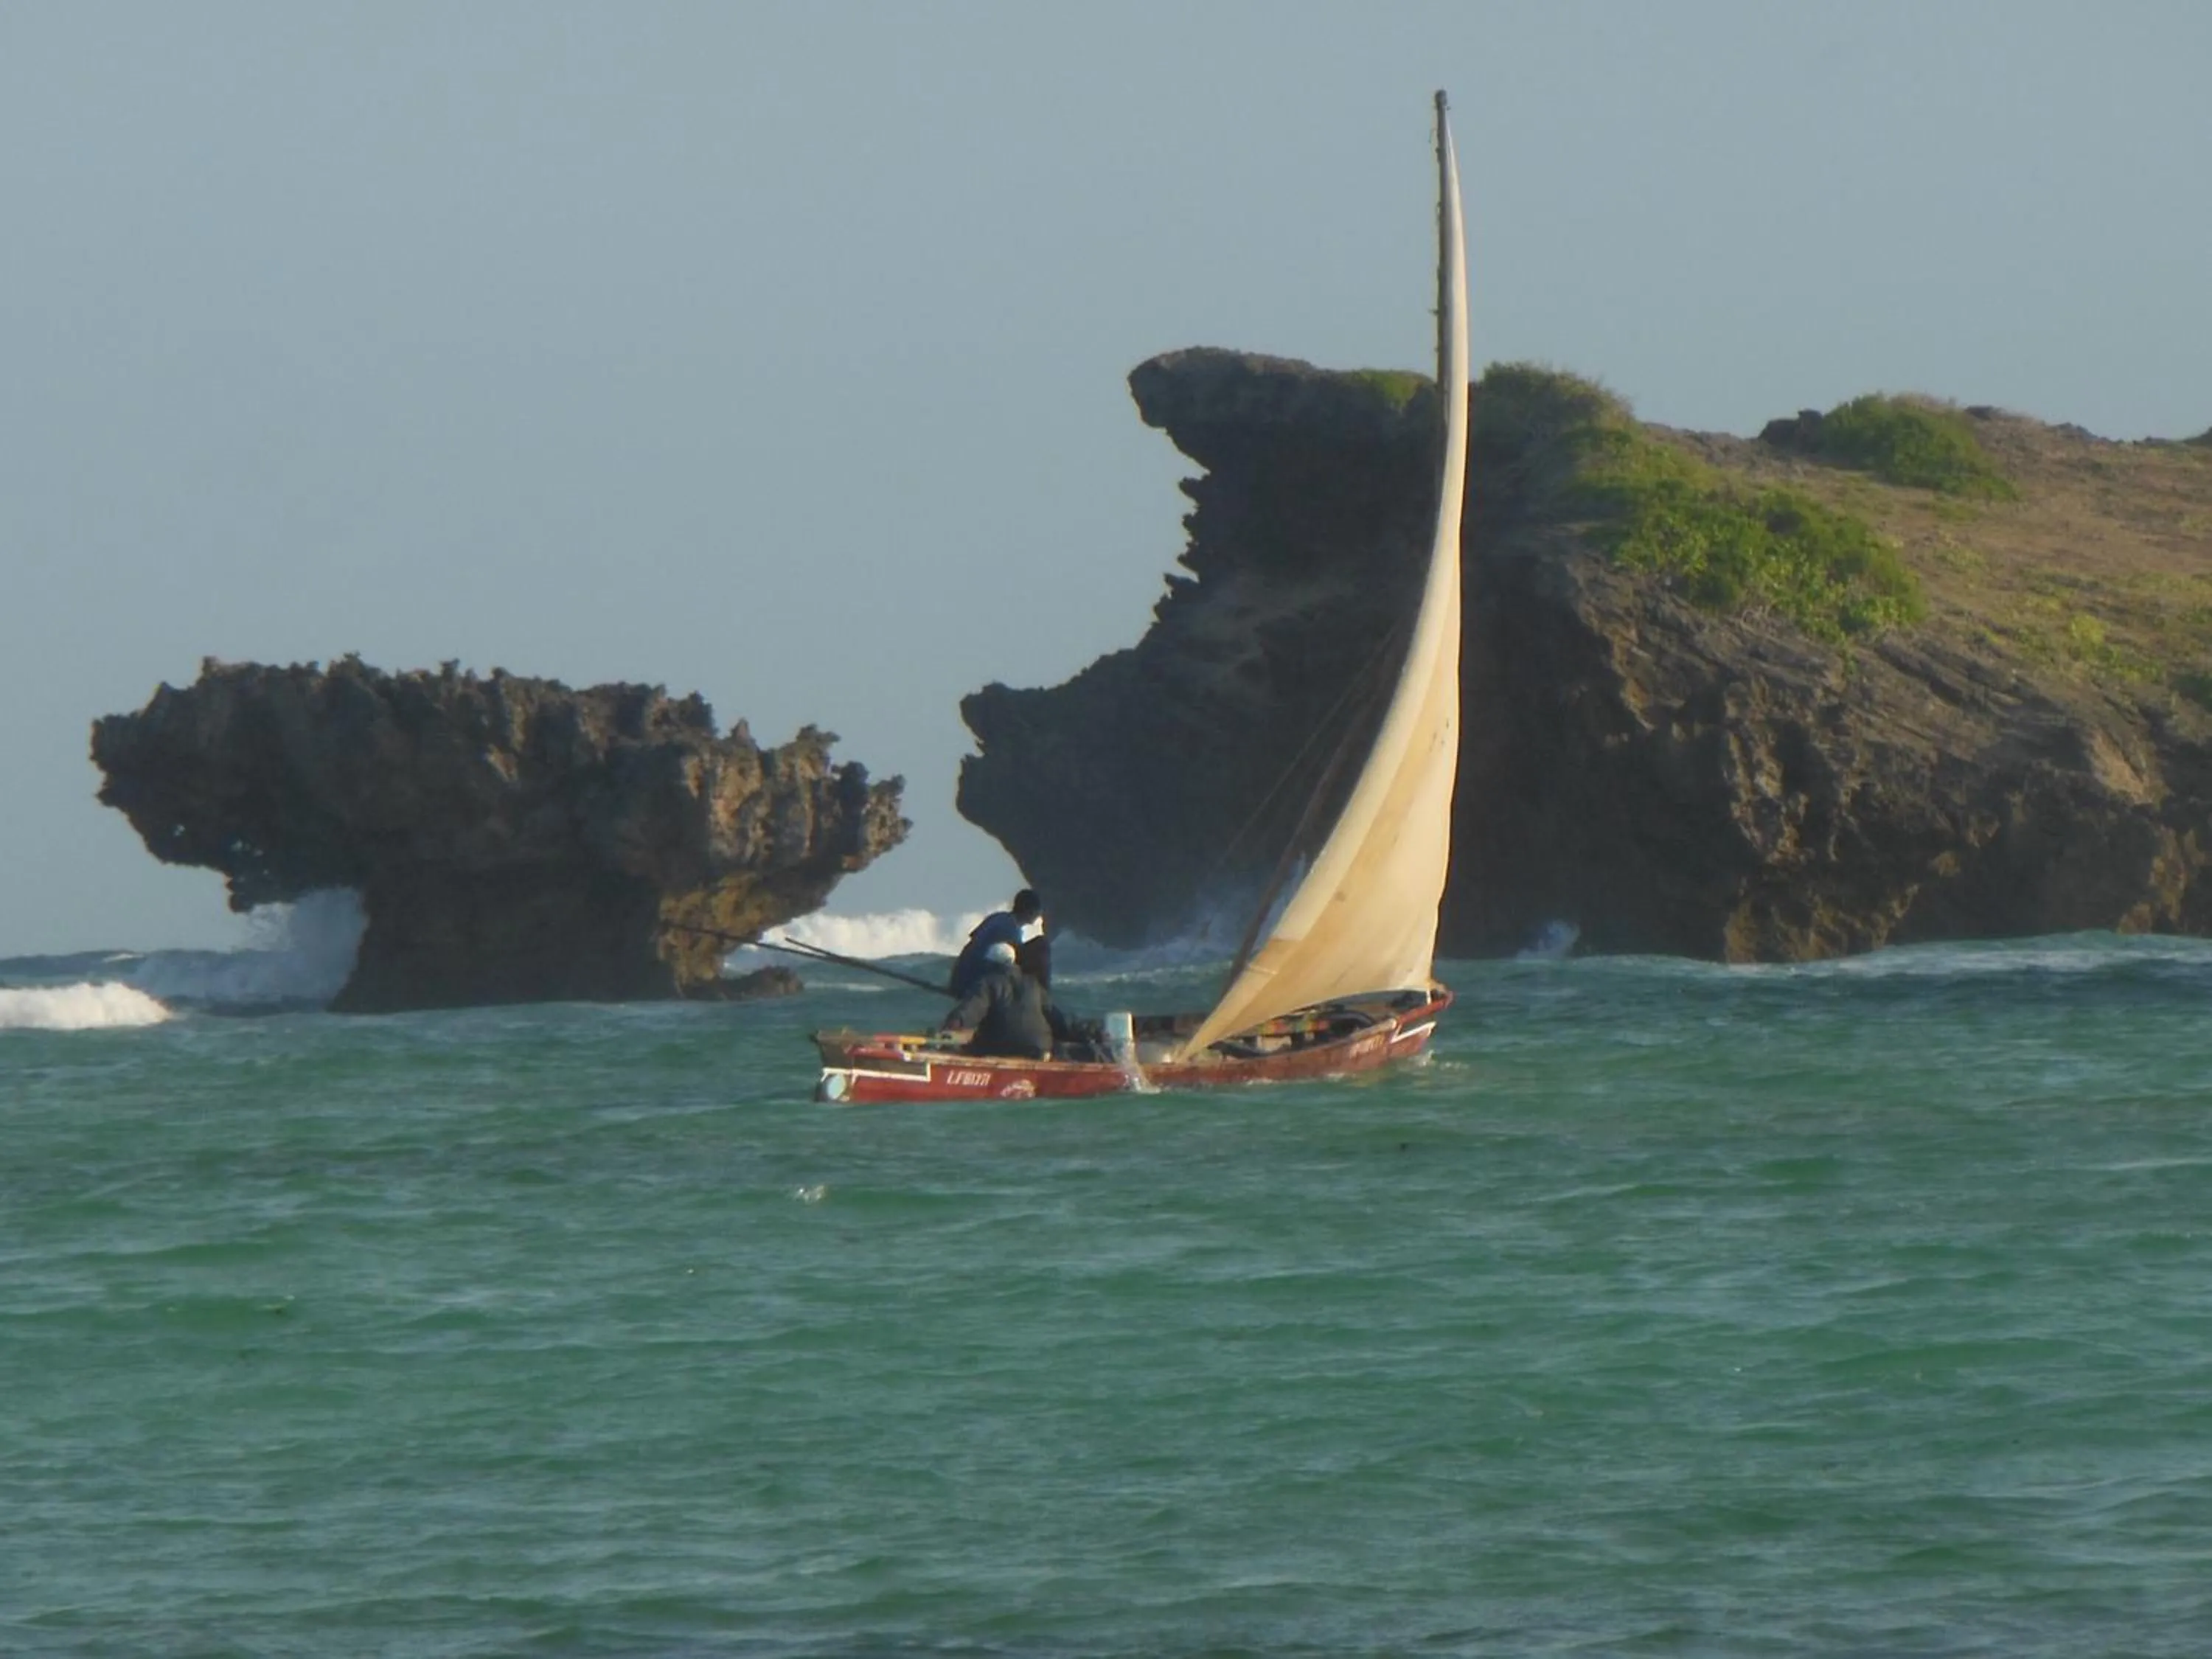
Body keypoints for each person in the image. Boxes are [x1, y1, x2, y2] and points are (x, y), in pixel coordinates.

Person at [939, 939, 1055, 1060]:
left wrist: (951, 1025)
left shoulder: (988, 984)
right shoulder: (1033, 984)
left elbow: (972, 1010)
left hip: (999, 1047)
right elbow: (1055, 1017)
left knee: (964, 1048)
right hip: (1038, 1048)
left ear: (991, 964)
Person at [947, 887, 1044, 998]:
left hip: (957, 981)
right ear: (1030, 911)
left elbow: (973, 941)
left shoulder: (997, 917)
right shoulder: (1011, 930)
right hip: (972, 988)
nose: (1041, 913)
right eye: (1039, 910)